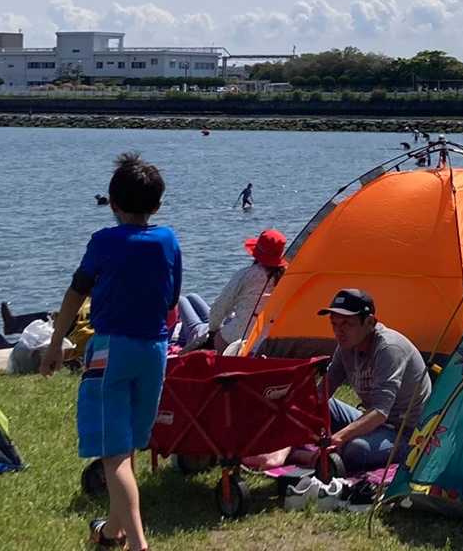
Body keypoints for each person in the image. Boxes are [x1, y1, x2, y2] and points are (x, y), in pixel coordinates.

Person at [40, 153, 182, 551]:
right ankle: (111, 533)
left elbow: (76, 292)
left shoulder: (103, 241)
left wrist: (56, 343)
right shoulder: (168, 241)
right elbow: (172, 297)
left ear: (113, 203)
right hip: (154, 351)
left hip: (109, 352)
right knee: (128, 445)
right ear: (157, 205)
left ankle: (138, 544)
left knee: (113, 455)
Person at [282, 289, 431, 475]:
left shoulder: (389, 348)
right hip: (374, 422)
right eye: (334, 324)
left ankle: (305, 456)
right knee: (319, 407)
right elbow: (323, 392)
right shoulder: (346, 346)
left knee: (356, 450)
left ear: (370, 322)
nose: (339, 331)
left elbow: (380, 413)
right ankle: (299, 452)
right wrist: (291, 413)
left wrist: (338, 438)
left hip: (405, 432)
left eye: (347, 324)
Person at [177, 228, 286, 352]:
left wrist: (212, 331)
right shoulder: (286, 278)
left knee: (182, 300)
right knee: (192, 297)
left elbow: (220, 306)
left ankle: (186, 336)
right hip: (263, 340)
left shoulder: (246, 275)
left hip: (233, 340)